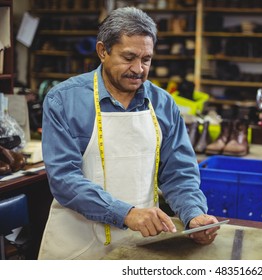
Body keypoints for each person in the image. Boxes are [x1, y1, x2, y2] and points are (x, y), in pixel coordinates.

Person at [38, 7, 219, 260]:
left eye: (146, 59)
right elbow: (64, 179)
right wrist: (126, 214)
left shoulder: (164, 104)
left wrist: (194, 215)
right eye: (129, 57)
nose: (138, 69)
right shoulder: (64, 101)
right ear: (103, 51)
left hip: (142, 244)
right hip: (77, 246)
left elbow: (179, 173)